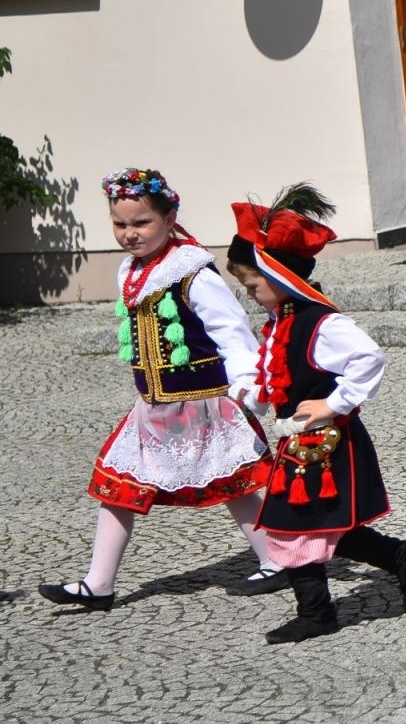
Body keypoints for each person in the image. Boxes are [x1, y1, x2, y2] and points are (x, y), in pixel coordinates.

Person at [38, 168, 277, 612]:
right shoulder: (132, 273)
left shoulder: (193, 274)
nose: (129, 233)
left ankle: (276, 558)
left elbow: (233, 333)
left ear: (170, 219)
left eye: (141, 223)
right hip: (152, 406)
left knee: (238, 484)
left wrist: (248, 386)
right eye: (120, 224)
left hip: (204, 405)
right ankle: (99, 583)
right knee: (117, 485)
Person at [226, 185, 406, 644]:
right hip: (300, 443)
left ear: (278, 274)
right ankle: (396, 557)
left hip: (326, 446)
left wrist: (333, 404)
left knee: (294, 525)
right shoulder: (282, 322)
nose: (250, 293)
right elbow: (284, 374)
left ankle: (317, 613)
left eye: (252, 284)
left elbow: (369, 358)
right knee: (324, 524)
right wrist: (250, 393)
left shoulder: (322, 323)